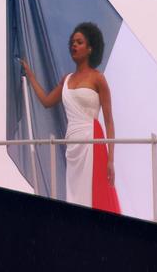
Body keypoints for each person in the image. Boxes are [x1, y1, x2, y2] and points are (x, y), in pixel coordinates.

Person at [21, 21, 120, 213]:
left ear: (90, 48)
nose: (74, 45)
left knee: (96, 195)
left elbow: (109, 120)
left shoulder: (98, 79)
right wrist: (31, 77)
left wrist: (111, 159)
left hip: (93, 141)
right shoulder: (66, 80)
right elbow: (47, 101)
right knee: (76, 197)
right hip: (72, 142)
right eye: (73, 42)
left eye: (79, 42)